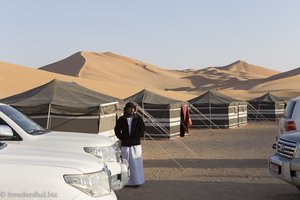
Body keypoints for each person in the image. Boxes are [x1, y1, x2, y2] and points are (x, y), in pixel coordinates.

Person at [114, 102, 145, 188]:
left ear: (134, 109)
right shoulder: (121, 119)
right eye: (129, 108)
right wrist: (122, 138)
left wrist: (135, 139)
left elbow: (142, 131)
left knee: (136, 163)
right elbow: (117, 130)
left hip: (135, 145)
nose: (131, 110)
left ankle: (137, 182)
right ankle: (126, 182)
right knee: (125, 163)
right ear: (126, 109)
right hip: (125, 145)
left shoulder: (138, 119)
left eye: (133, 108)